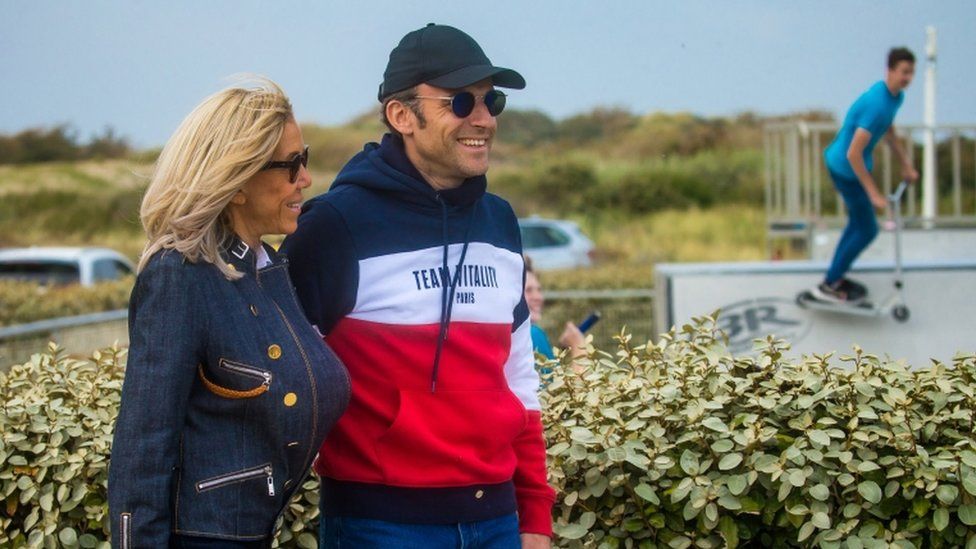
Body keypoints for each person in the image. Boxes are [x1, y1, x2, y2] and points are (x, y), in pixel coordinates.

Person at [281, 23, 555, 549]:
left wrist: (534, 518)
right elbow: (283, 374)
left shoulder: (501, 223)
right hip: (379, 526)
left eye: (491, 100)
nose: (482, 119)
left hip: (498, 519)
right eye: (459, 102)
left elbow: (520, 382)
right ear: (401, 115)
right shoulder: (335, 226)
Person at [108, 78, 350, 548]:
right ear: (236, 182)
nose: (305, 179)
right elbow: (142, 452)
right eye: (291, 165)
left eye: (307, 158)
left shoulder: (269, 268)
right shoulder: (178, 274)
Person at [814, 47, 919, 303]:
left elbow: (888, 130)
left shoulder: (895, 97)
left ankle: (834, 277)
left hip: (851, 165)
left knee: (858, 224)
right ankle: (830, 283)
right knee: (868, 229)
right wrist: (873, 193)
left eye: (911, 73)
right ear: (890, 71)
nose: (907, 78)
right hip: (845, 168)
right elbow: (853, 153)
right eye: (903, 72)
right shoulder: (877, 103)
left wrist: (905, 163)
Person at [524, 256, 586, 362]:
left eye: (539, 290)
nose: (538, 297)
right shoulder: (531, 333)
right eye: (528, 290)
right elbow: (556, 379)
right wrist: (578, 347)